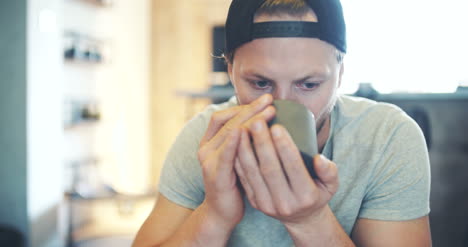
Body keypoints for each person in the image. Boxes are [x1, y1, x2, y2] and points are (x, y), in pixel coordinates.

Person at [133, 0, 432, 246]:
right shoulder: (207, 140)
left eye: (309, 84)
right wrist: (214, 214)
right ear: (231, 71)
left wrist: (309, 220)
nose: (282, 105)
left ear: (340, 74)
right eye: (260, 83)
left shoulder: (387, 138)